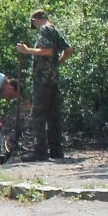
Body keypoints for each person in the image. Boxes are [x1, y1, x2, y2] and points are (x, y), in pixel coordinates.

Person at [17, 9, 72, 160]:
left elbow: (47, 51)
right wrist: (56, 65)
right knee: (53, 115)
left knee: (39, 114)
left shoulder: (45, 29)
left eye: (33, 24)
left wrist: (27, 50)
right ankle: (56, 150)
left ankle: (40, 151)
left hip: (42, 79)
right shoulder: (53, 30)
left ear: (35, 20)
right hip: (53, 79)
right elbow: (68, 50)